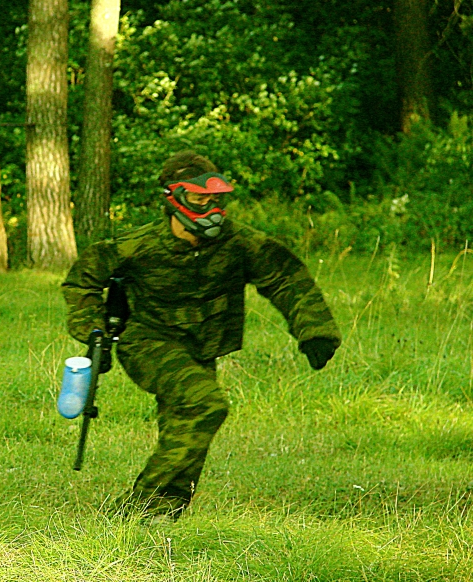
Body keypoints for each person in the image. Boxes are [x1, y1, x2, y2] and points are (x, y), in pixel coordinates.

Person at [61, 150, 341, 519]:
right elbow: (82, 281)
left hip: (202, 346)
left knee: (184, 425)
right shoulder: (136, 245)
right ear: (173, 200)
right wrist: (94, 331)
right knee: (208, 405)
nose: (209, 208)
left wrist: (314, 330)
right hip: (147, 342)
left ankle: (164, 510)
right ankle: (136, 505)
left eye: (216, 199)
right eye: (198, 198)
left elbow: (286, 278)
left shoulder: (238, 241)